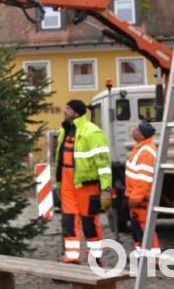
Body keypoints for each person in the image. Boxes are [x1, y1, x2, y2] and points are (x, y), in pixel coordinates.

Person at [54, 99, 112, 264]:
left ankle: (95, 258)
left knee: (89, 222)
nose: (64, 111)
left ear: (76, 113)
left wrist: (106, 189)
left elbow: (103, 163)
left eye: (67, 108)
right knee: (69, 221)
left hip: (87, 185)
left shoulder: (93, 132)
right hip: (67, 184)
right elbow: (59, 161)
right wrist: (59, 184)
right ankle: (72, 257)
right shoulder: (64, 130)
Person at [125, 121, 161, 257]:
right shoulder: (141, 148)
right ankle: (143, 255)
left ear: (142, 134)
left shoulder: (145, 152)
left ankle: (152, 258)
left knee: (144, 227)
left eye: (136, 129)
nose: (133, 131)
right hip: (138, 197)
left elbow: (144, 179)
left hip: (141, 199)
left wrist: (135, 198)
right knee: (137, 228)